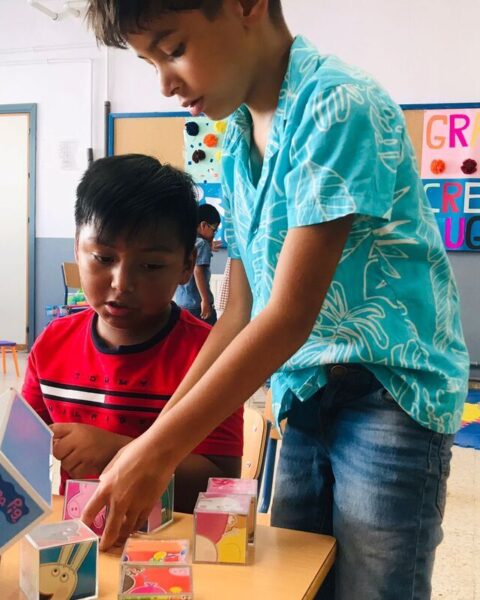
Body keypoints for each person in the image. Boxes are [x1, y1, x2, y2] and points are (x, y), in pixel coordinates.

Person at [84, 3, 469, 598]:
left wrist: (159, 452)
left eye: (173, 48)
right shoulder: (235, 141)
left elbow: (288, 315)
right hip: (303, 392)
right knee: (296, 576)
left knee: (373, 584)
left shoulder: (336, 103)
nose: (163, 83)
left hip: (387, 393)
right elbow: (240, 310)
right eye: (148, 62)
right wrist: (149, 441)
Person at [22, 154, 243, 513]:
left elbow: (221, 485)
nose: (122, 283)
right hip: (80, 546)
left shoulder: (209, 355)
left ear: (187, 265)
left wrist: (118, 451)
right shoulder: (52, 344)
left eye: (151, 265)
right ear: (77, 247)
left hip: (175, 549)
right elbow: (20, 453)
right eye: (104, 258)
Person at [176, 203, 220, 325]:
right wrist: (205, 300)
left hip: (183, 302)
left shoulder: (187, 241)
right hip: (197, 304)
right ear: (203, 225)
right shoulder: (202, 244)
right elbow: (198, 270)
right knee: (210, 337)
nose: (214, 234)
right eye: (214, 229)